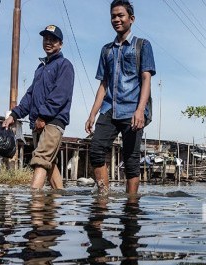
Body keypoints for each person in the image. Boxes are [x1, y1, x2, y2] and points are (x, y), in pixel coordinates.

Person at [85, 0, 156, 195]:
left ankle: (131, 206)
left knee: (131, 160)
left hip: (133, 110)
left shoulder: (142, 45)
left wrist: (141, 109)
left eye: (121, 15)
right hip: (109, 109)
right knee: (96, 151)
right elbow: (103, 84)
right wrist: (92, 114)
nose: (116, 19)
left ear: (131, 19)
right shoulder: (106, 50)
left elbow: (146, 78)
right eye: (113, 16)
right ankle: (103, 196)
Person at [3, 25, 74, 190]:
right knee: (50, 164)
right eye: (46, 39)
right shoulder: (40, 68)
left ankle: (34, 205)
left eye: (53, 40)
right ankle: (57, 199)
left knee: (40, 160)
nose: (48, 42)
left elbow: (60, 95)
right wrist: (14, 114)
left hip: (53, 121)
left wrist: (43, 116)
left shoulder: (64, 65)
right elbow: (30, 96)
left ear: (60, 44)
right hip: (38, 122)